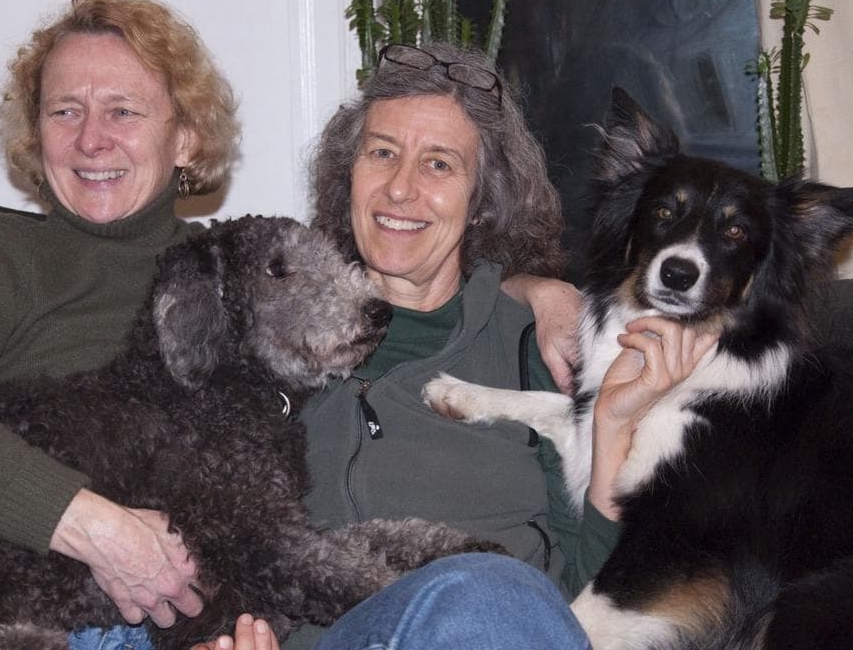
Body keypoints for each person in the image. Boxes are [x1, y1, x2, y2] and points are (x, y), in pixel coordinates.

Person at [196, 42, 718, 650]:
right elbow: (207, 526)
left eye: (440, 164)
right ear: (349, 177)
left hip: (503, 625)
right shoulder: (265, 335)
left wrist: (610, 428)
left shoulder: (539, 348)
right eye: (382, 153)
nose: (400, 189)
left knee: (486, 591)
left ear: (482, 203)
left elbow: (590, 595)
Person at [0, 0, 239, 649]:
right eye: (65, 111)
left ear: (186, 136)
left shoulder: (238, 274)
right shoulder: (3, 252)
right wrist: (94, 527)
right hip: (19, 605)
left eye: (123, 111)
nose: (90, 138)